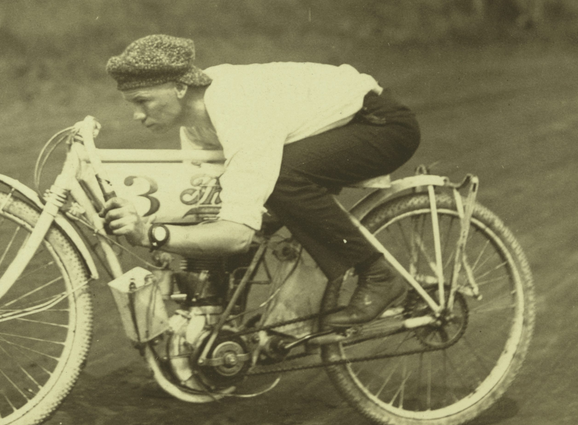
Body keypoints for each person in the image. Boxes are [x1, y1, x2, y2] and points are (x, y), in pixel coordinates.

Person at [102, 34, 421, 328]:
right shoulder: (195, 127)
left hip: (380, 124)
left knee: (282, 181)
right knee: (224, 202)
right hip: (326, 131)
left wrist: (153, 234)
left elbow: (237, 234)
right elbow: (207, 207)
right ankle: (221, 333)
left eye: (142, 101)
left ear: (180, 87)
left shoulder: (237, 106)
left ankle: (378, 275)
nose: (136, 115)